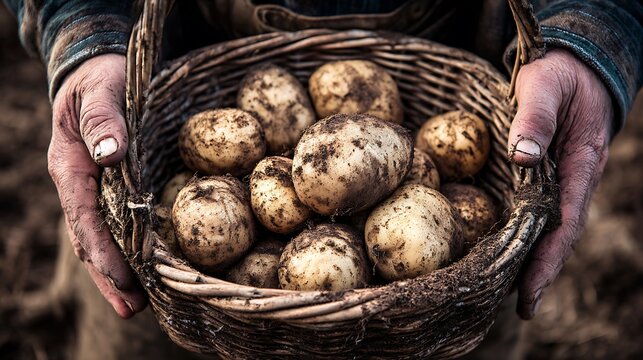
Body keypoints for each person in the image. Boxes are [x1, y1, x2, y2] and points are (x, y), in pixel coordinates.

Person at [4, 0, 642, 357]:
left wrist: (587, 35)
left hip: (463, 46)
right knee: (135, 318)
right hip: (178, 51)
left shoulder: (398, 172)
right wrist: (84, 31)